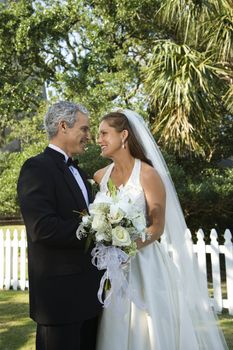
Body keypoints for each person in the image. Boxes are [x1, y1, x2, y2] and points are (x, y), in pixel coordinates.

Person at [93, 109, 228, 350]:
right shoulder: (100, 177)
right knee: (115, 326)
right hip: (113, 268)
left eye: (104, 133)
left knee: (151, 330)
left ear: (123, 135)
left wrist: (127, 248)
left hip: (145, 265)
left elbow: (157, 227)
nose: (98, 140)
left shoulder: (147, 174)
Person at [17, 101, 103, 350]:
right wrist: (97, 227)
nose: (89, 137)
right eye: (85, 129)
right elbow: (42, 228)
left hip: (89, 296)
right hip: (59, 301)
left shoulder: (81, 172)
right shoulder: (37, 168)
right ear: (63, 126)